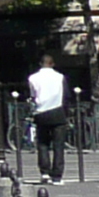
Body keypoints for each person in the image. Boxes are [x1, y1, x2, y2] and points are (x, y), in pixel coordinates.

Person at [26, 50, 68, 183]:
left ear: (40, 64)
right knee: (58, 145)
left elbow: (33, 95)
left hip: (41, 112)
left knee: (43, 144)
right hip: (57, 111)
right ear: (53, 64)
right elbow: (66, 95)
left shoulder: (33, 78)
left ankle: (45, 172)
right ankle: (57, 175)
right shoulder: (60, 77)